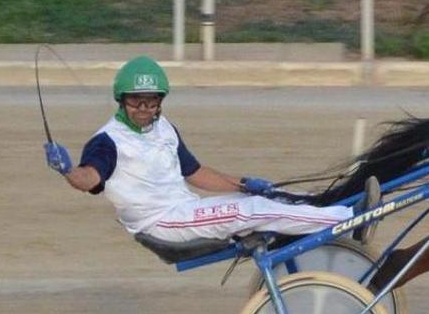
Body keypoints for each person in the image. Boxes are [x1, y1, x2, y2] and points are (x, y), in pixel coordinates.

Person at [42, 55, 379, 248]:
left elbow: (195, 173)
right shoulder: (107, 141)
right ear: (122, 100)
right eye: (136, 101)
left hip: (186, 209)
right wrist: (67, 170)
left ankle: (335, 207)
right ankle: (350, 220)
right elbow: (89, 179)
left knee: (269, 196)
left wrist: (245, 183)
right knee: (250, 212)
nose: (145, 108)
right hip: (160, 222)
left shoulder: (165, 128)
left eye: (152, 101)